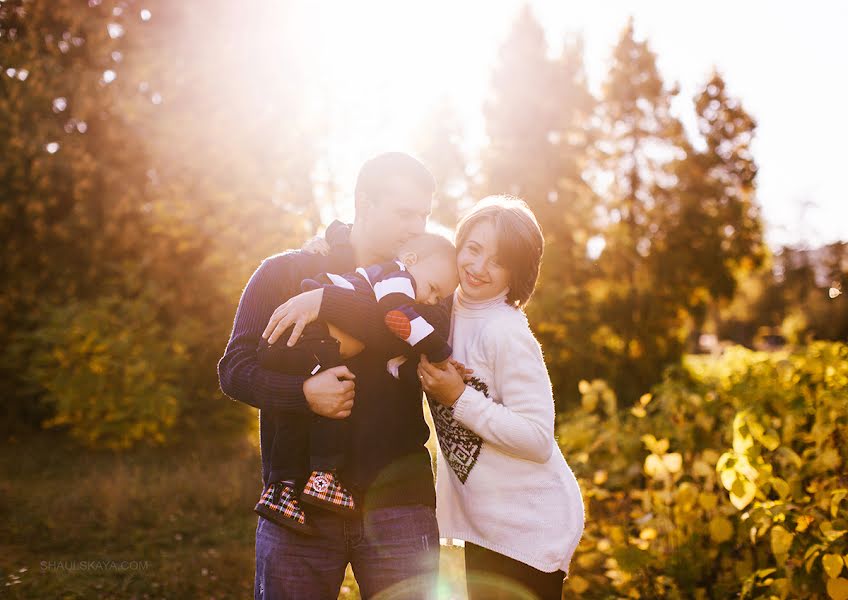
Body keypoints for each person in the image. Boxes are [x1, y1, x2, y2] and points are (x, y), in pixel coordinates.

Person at [218, 152, 449, 599]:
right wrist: (302, 392)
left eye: (424, 214)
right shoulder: (285, 273)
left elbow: (415, 330)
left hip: (400, 506)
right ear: (365, 202)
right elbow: (235, 369)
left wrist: (326, 302)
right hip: (299, 508)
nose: (417, 226)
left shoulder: (427, 282)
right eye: (405, 212)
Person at [417, 196, 585, 599]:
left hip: (531, 528)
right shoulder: (441, 308)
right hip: (487, 527)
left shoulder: (505, 332)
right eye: (472, 249)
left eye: (498, 261)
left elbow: (537, 438)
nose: (477, 267)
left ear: (517, 273)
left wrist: (459, 397)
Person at [254, 232, 458, 531]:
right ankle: (319, 480)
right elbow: (396, 318)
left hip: (305, 340)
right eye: (432, 289)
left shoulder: (404, 281)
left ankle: (284, 490)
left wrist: (425, 370)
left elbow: (392, 361)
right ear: (411, 260)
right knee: (335, 396)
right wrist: (440, 351)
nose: (431, 300)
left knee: (312, 408)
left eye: (439, 297)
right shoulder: (395, 276)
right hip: (309, 335)